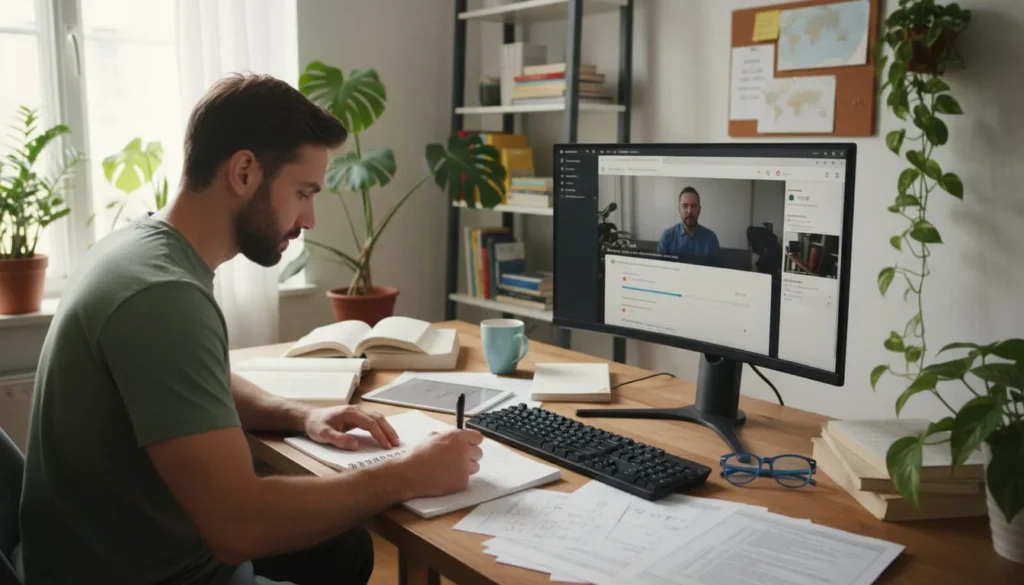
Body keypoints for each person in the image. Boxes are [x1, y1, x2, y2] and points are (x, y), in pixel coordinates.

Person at [16, 73, 484, 585]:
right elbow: (239, 526)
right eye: (303, 192)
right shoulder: (163, 296)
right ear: (243, 171)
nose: (309, 219)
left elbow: (191, 385)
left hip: (101, 554)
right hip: (152, 574)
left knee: (343, 549)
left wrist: (300, 416)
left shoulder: (137, 251)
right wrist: (409, 473)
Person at [656, 186, 720, 264]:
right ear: (679, 210)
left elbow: (717, 271)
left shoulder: (711, 238)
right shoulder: (667, 236)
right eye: (685, 206)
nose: (689, 211)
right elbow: (659, 267)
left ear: (699, 210)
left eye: (694, 206)